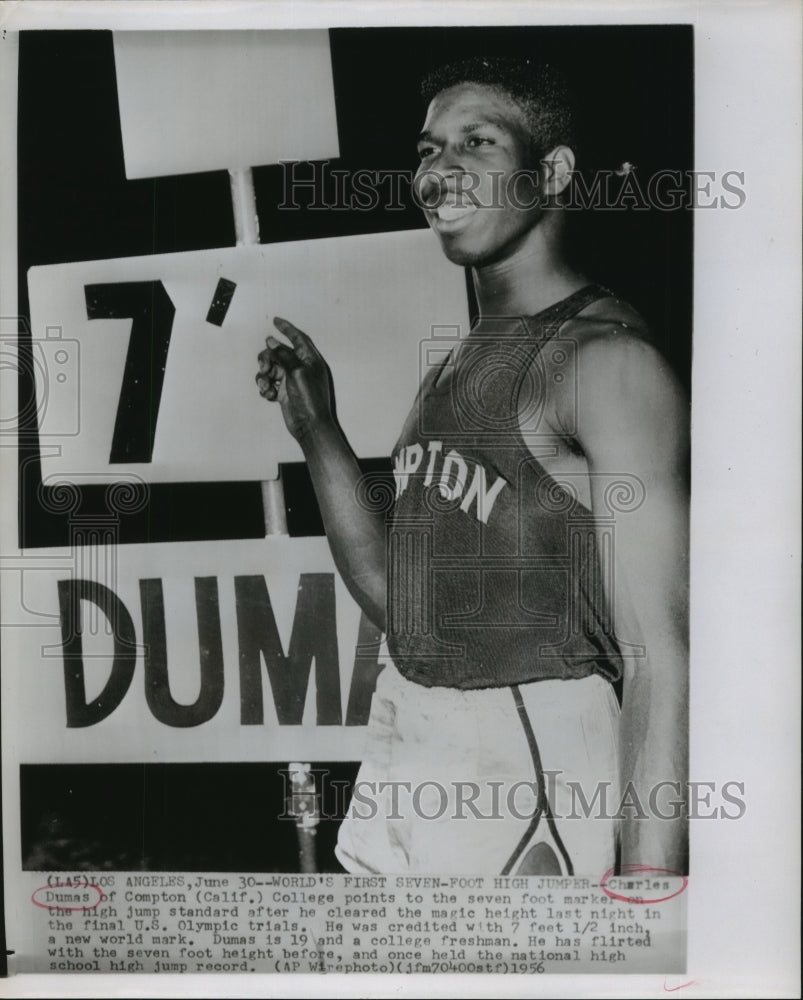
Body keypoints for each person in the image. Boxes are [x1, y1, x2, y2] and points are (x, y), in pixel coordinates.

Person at [256, 56, 689, 876]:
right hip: (410, 732)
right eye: (426, 150)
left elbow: (657, 656)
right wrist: (318, 430)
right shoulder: (455, 366)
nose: (437, 173)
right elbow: (404, 608)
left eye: (476, 143)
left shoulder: (605, 362)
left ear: (550, 170)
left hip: (530, 750)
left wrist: (651, 891)